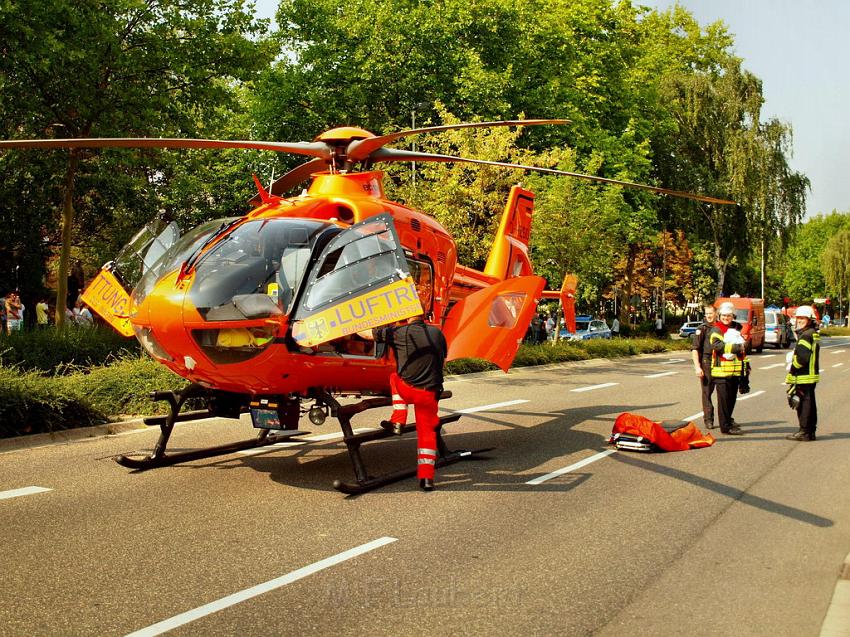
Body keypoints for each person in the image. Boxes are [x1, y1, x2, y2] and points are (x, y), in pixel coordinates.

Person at [370, 315, 448, 491]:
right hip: (430, 393)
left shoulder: (398, 332)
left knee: (394, 377)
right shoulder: (437, 333)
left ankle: (398, 420)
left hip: (408, 389)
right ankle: (427, 479)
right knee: (426, 434)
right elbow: (443, 358)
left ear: (405, 316)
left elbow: (370, 335)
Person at [707, 301, 747, 435]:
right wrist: (737, 347)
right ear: (719, 316)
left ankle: (728, 422)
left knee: (731, 399)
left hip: (735, 371)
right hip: (721, 372)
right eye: (723, 315)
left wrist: (745, 372)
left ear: (733, 316)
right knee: (724, 401)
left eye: (729, 315)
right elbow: (717, 346)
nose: (726, 318)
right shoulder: (716, 329)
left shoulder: (736, 329)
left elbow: (743, 350)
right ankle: (725, 427)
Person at [785, 305, 820, 441]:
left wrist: (792, 368)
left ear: (809, 319)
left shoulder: (805, 335)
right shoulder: (812, 333)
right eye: (798, 318)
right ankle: (810, 431)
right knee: (810, 403)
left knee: (804, 405)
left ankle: (804, 431)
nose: (799, 320)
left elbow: (802, 358)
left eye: (802, 318)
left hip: (804, 375)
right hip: (810, 375)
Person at [691, 304, 717, 429]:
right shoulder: (702, 329)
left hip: (721, 363)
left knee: (724, 393)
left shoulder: (721, 327)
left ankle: (727, 419)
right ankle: (708, 419)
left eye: (710, 313)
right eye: (706, 314)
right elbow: (695, 349)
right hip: (707, 363)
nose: (708, 316)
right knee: (707, 393)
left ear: (716, 313)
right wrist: (697, 367)